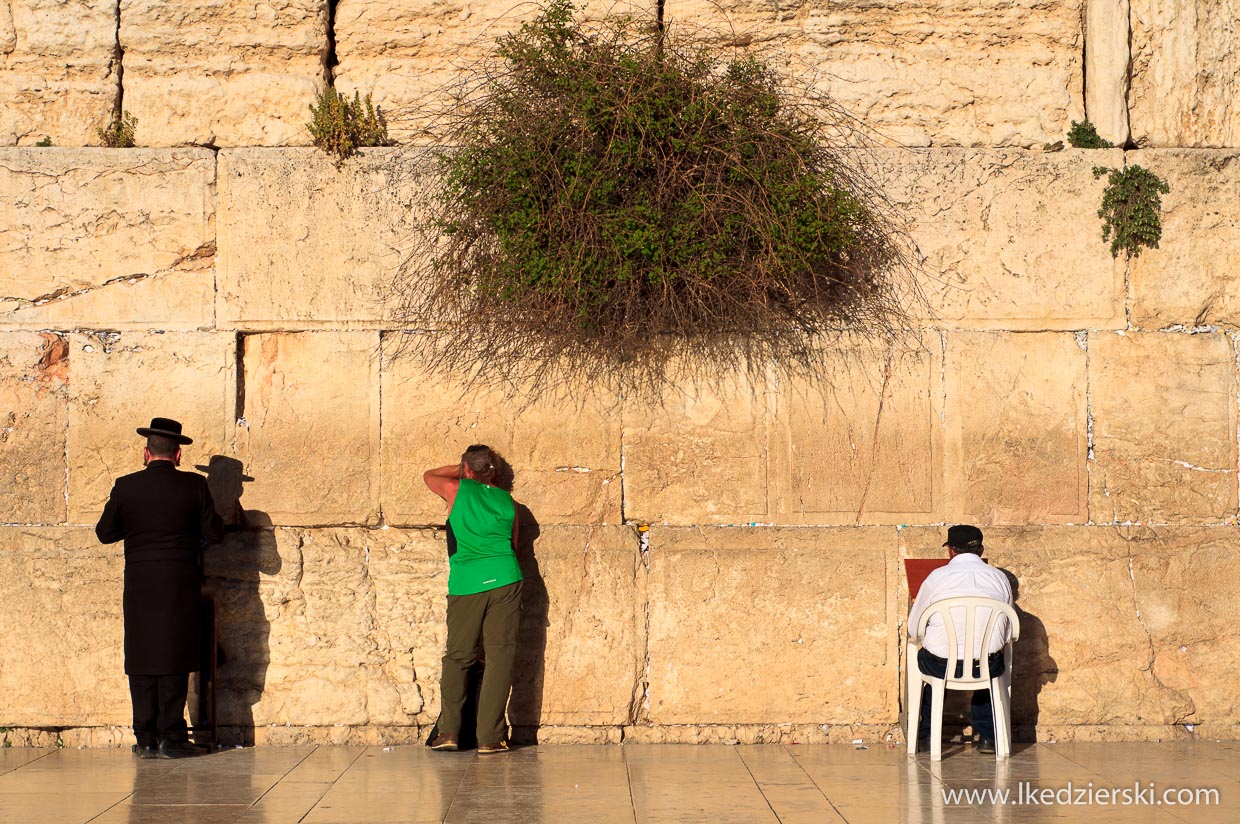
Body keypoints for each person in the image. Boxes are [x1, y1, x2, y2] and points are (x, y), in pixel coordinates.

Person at [95, 417, 224, 759]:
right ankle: (173, 737)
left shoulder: (126, 486)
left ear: (146, 452)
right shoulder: (195, 487)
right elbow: (214, 533)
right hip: (179, 584)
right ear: (178, 454)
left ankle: (146, 737)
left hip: (139, 585)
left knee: (141, 656)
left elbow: (105, 532)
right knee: (173, 655)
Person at [424, 444, 523, 754]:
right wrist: (483, 471)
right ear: (492, 470)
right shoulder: (508, 502)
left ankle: (450, 731)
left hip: (467, 582)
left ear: (467, 469)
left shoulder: (456, 490)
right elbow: (514, 544)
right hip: (506, 577)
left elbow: (429, 475)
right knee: (500, 657)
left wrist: (463, 468)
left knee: (458, 656)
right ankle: (490, 738)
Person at [907, 524, 1013, 754]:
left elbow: (914, 628)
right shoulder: (999, 578)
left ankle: (925, 736)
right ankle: (988, 737)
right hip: (985, 665)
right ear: (980, 549)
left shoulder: (936, 577)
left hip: (941, 665)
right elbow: (1007, 632)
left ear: (951, 551)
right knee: (988, 662)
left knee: (931, 663)